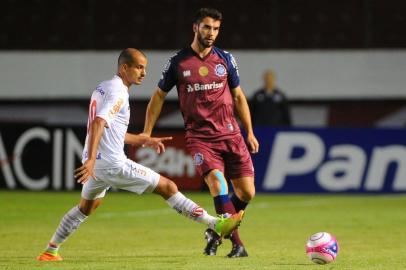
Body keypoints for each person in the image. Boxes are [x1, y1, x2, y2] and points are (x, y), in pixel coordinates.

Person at [36, 48, 244, 262]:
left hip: (98, 164)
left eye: (145, 68)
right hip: (111, 164)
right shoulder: (118, 92)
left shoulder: (103, 87)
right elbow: (99, 123)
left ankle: (51, 250)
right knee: (168, 187)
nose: (143, 73)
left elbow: (111, 130)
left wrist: (143, 140)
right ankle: (216, 223)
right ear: (124, 67)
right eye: (139, 67)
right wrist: (90, 160)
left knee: (85, 208)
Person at [142, 8, 259, 258]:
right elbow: (158, 96)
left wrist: (249, 131)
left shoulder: (225, 59)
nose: (211, 33)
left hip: (231, 134)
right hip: (201, 138)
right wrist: (147, 132)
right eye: (207, 27)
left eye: (216, 29)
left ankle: (215, 233)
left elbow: (238, 96)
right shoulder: (178, 61)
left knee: (247, 192)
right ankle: (238, 244)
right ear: (195, 28)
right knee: (218, 183)